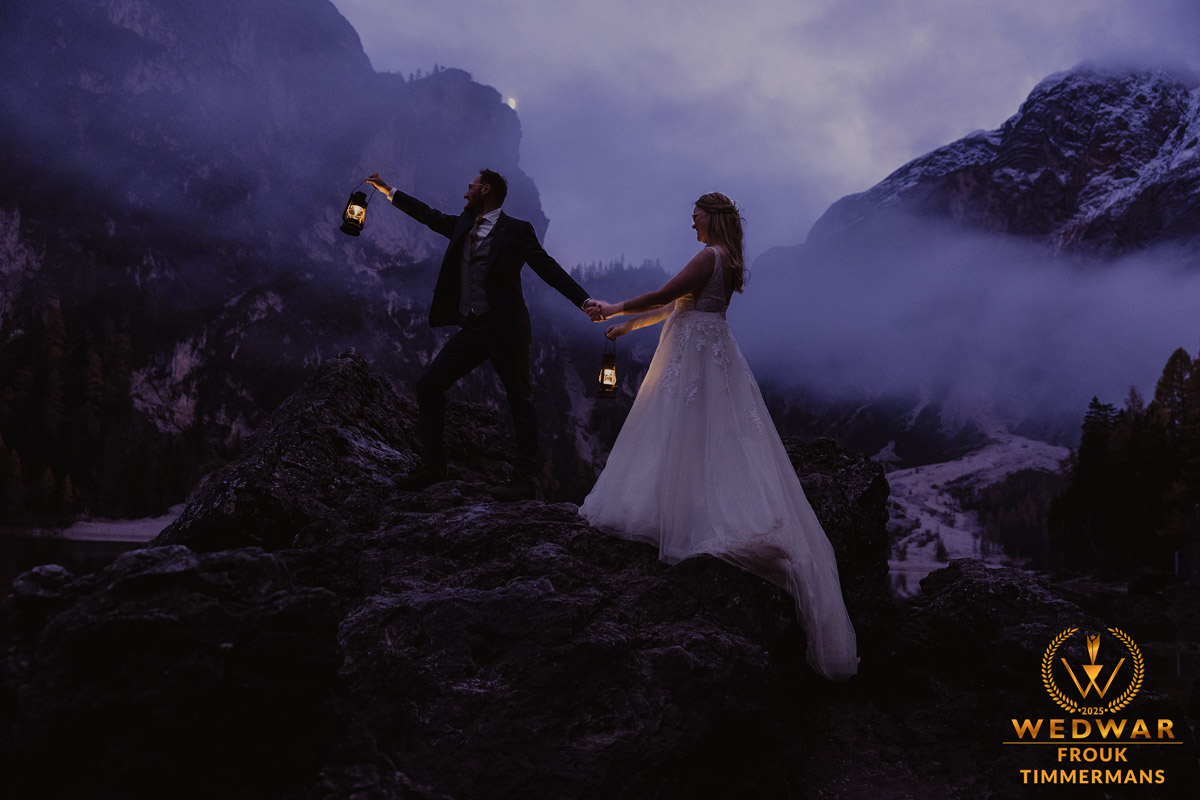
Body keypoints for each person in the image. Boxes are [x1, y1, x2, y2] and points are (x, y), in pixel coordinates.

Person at [580, 192, 858, 680]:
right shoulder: (726, 260)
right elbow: (677, 306)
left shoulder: (710, 256)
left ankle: (677, 514)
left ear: (712, 217)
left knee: (679, 429)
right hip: (711, 351)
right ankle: (686, 506)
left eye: (696, 217)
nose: (692, 224)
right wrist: (627, 329)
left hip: (694, 354)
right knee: (708, 433)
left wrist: (613, 308)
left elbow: (663, 296)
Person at [366, 169, 599, 501]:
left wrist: (584, 300)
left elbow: (547, 268)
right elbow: (428, 216)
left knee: (520, 401)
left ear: (485, 189)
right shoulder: (463, 224)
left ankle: (524, 479)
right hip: (474, 327)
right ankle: (433, 466)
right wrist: (388, 190)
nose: (465, 193)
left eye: (470, 187)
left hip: (508, 330)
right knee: (429, 384)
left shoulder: (517, 230)